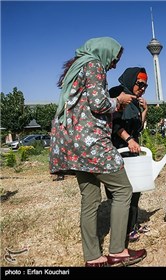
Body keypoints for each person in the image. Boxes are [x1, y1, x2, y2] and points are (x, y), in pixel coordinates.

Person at [49, 37, 147, 267]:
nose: (114, 64)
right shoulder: (94, 65)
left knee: (90, 198)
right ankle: (117, 251)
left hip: (71, 144)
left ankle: (93, 256)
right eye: (115, 58)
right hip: (90, 142)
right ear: (105, 52)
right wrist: (118, 101)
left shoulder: (78, 66)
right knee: (123, 190)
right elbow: (98, 104)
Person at [107, 67, 150, 244]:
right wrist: (129, 139)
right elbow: (114, 123)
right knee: (122, 191)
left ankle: (132, 225)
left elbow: (138, 127)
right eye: (139, 83)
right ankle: (123, 230)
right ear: (131, 80)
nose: (142, 88)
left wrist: (145, 109)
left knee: (136, 188)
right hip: (117, 149)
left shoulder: (135, 101)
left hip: (132, 149)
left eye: (145, 85)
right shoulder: (117, 93)